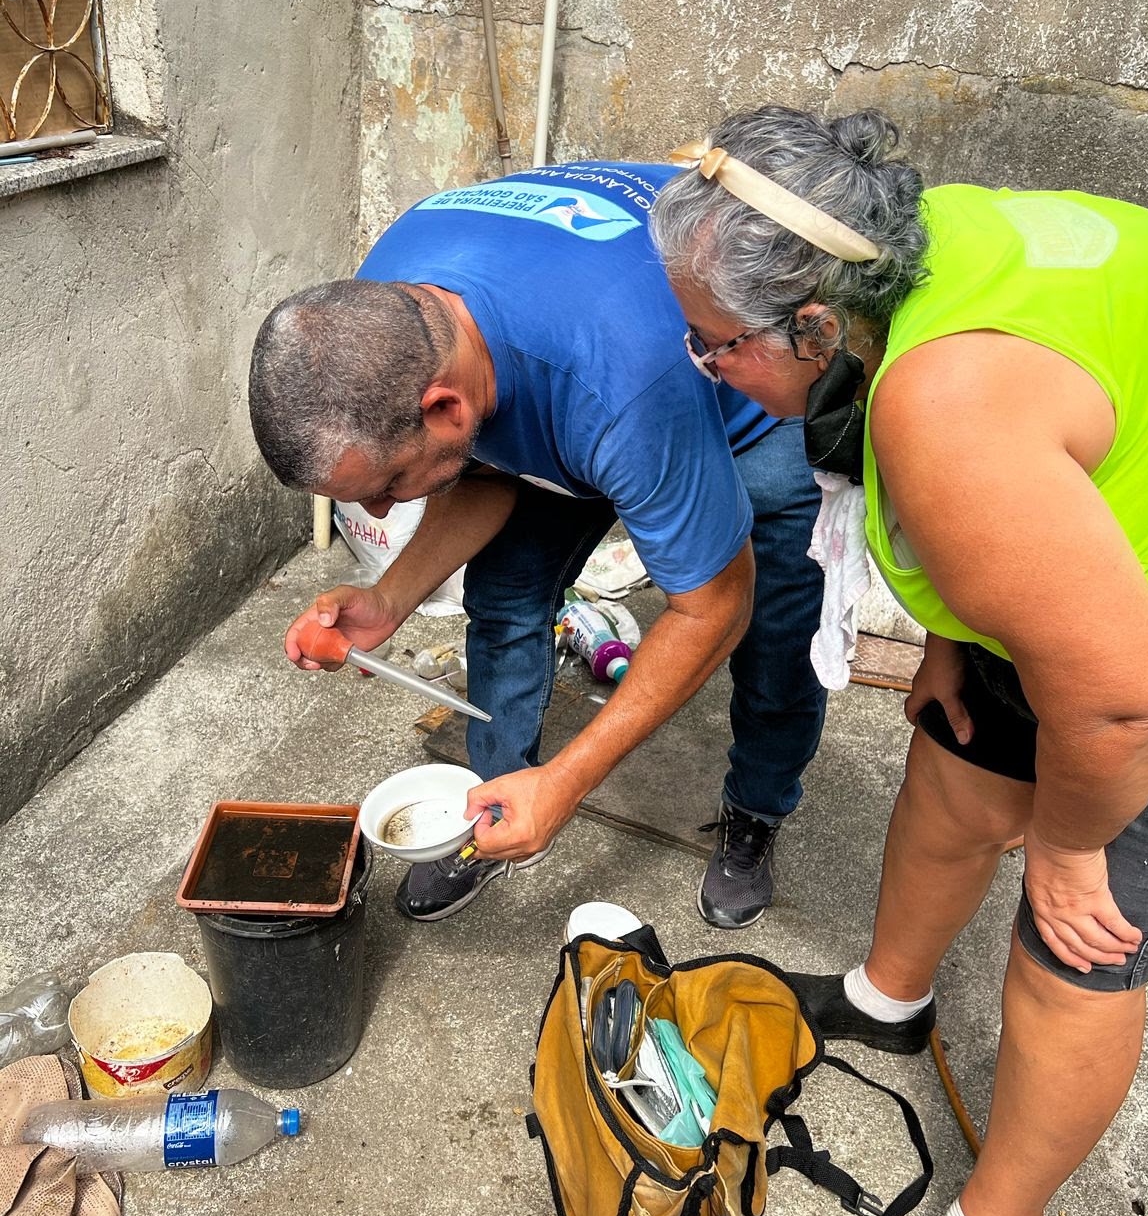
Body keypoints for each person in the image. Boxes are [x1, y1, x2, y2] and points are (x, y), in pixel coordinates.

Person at [650, 105, 1148, 1216]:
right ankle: (886, 1001)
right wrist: (960, 618)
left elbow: (1120, 700)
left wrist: (1068, 840)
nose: (700, 362)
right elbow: (1016, 512)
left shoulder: (941, 413)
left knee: (1079, 942)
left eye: (713, 343)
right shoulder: (893, 247)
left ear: (813, 326)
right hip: (1096, 543)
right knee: (951, 784)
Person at [248, 160, 828, 928]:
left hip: (737, 402)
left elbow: (713, 608)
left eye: (385, 486)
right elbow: (484, 467)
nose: (383, 514)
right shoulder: (385, 306)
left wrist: (569, 779)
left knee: (778, 630)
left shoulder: (623, 387)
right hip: (576, 376)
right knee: (505, 594)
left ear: (445, 404)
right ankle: (491, 814)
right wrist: (388, 599)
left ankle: (755, 811)